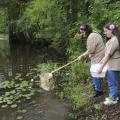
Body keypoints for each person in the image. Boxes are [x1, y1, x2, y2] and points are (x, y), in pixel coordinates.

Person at [78, 24, 105, 97]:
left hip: (98, 56)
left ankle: (98, 90)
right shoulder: (94, 33)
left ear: (86, 31)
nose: (82, 34)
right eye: (81, 32)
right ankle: (96, 87)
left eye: (83, 32)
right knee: (95, 72)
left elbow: (91, 50)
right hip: (100, 55)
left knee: (94, 72)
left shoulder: (91, 37)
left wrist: (82, 56)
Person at [97, 23, 120, 105]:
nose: (105, 33)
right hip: (114, 65)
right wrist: (101, 61)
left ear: (111, 30)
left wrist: (101, 67)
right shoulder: (113, 39)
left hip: (113, 66)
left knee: (112, 83)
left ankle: (113, 99)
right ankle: (116, 96)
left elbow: (108, 55)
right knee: (116, 82)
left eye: (106, 31)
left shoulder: (114, 40)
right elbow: (107, 54)